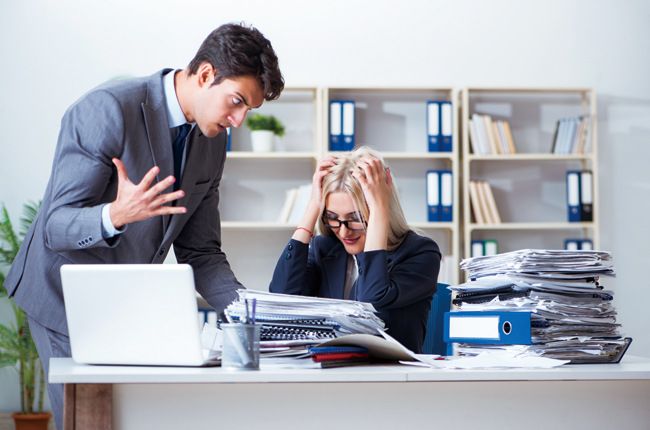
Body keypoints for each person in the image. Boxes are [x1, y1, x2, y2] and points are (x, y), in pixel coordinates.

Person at [4, 23, 283, 430]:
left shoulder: (214, 140)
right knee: (87, 417)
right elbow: (56, 226)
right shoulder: (107, 109)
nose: (239, 120)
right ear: (205, 75)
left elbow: (202, 253)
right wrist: (114, 215)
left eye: (249, 110)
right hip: (62, 293)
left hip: (126, 303)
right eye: (236, 101)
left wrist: (253, 317)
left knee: (132, 414)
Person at [269, 147, 441, 353]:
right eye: (332, 217)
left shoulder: (420, 252)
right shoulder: (325, 248)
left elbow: (372, 300)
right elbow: (281, 297)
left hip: (390, 376)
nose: (343, 232)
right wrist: (313, 207)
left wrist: (379, 210)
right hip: (329, 373)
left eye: (355, 219)